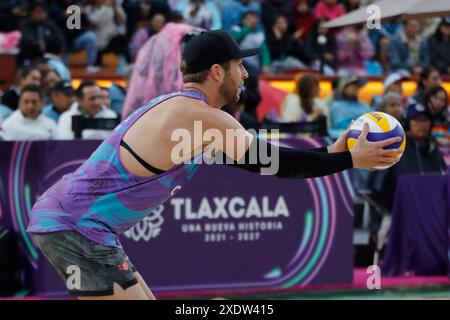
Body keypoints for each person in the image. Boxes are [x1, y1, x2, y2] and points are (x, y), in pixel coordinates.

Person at [27, 30, 400, 300]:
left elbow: (266, 160)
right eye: (240, 65)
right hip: (77, 224)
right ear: (218, 72)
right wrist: (350, 159)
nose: (247, 75)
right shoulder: (202, 118)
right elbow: (278, 166)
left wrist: (332, 152)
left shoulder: (185, 111)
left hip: (78, 223)